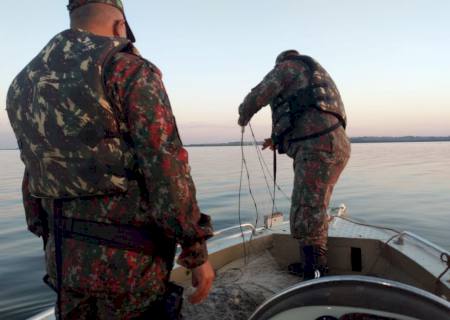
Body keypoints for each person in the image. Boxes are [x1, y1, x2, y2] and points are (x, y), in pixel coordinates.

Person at [7, 0, 214, 319]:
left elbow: (32, 171)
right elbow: (166, 167)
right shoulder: (126, 68)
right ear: (120, 27)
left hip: (62, 259)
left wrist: (47, 234)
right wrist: (195, 250)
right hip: (130, 266)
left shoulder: (21, 84)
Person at [238, 50, 351, 280]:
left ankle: (314, 274)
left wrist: (243, 114)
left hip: (317, 146)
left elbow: (261, 92)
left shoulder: (289, 67)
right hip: (333, 145)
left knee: (306, 212)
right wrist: (276, 140)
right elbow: (305, 111)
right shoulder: (310, 75)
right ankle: (313, 266)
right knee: (313, 209)